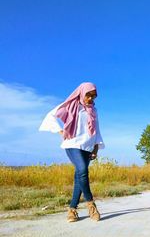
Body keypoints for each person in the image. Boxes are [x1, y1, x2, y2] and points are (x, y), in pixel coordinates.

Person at [39, 82, 105, 222]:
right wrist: (60, 131)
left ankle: (72, 210)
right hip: (72, 144)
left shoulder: (93, 110)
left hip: (87, 146)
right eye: (88, 95)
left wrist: (96, 147)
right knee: (82, 171)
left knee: (79, 178)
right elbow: (50, 116)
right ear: (81, 93)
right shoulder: (70, 105)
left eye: (93, 96)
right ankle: (91, 206)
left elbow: (97, 130)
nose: (90, 99)